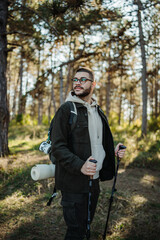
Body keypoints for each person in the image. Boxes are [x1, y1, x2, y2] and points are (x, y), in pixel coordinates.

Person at [51, 67, 126, 240]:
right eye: (75, 79)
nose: (77, 83)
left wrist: (111, 151)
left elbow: (97, 142)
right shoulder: (66, 109)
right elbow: (58, 147)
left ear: (93, 84)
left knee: (86, 228)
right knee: (76, 232)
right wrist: (80, 165)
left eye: (83, 79)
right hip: (73, 183)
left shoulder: (98, 111)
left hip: (94, 181)